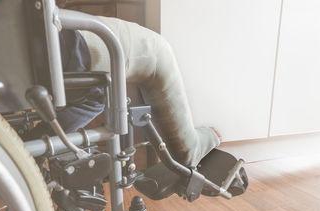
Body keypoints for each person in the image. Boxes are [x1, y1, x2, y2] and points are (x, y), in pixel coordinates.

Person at [30, 12, 221, 167]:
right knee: (158, 50)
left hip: (18, 64)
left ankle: (34, 143)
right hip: (55, 47)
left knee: (97, 93)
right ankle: (189, 149)